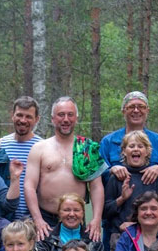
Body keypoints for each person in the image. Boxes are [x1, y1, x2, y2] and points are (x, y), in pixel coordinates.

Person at [25, 96, 105, 242]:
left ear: (76, 118)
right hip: (46, 220)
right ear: (53, 118)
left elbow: (96, 187)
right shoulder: (39, 148)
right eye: (61, 115)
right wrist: (38, 219)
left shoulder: (86, 148)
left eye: (70, 114)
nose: (66, 119)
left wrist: (96, 219)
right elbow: (29, 186)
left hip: (77, 220)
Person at [103, 130, 158, 251]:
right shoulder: (117, 178)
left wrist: (138, 226)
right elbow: (105, 212)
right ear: (124, 151)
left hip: (151, 237)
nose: (136, 149)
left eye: (140, 146)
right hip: (121, 236)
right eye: (131, 146)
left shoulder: (155, 177)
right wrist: (121, 199)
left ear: (147, 151)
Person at [99, 91, 158, 195]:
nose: (136, 110)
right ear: (123, 111)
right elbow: (98, 179)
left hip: (150, 207)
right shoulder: (108, 142)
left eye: (141, 107)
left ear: (147, 110)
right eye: (131, 107)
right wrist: (111, 170)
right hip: (118, 206)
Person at [0, 96, 43, 219]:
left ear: (37, 119)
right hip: (5, 218)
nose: (23, 120)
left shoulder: (43, 147)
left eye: (28, 117)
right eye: (19, 115)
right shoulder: (1, 146)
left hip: (33, 219)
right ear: (12, 115)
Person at [35, 193, 107, 251]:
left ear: (83, 213)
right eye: (67, 210)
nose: (72, 214)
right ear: (59, 212)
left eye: (76, 210)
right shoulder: (46, 237)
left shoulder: (93, 236)